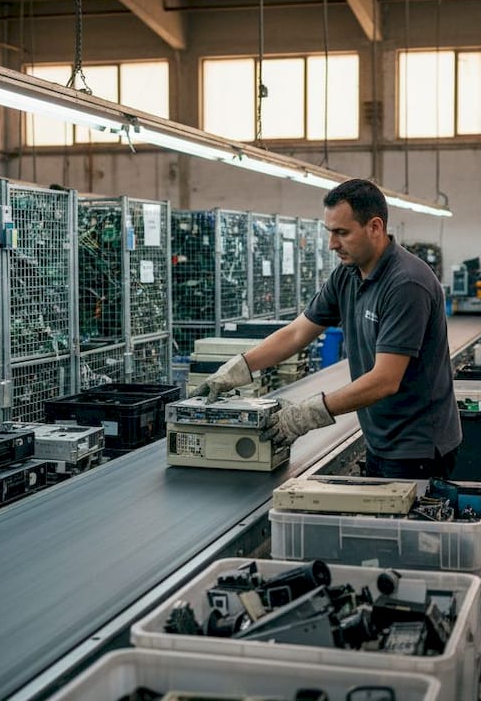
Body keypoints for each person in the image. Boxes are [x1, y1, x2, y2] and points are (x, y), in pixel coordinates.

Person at [194, 179, 461, 479]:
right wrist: (239, 367)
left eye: (342, 233)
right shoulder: (346, 275)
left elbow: (385, 380)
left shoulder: (406, 284)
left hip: (417, 447)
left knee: (402, 525)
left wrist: (307, 415)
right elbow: (297, 333)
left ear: (374, 227)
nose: (332, 244)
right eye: (330, 233)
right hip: (380, 436)